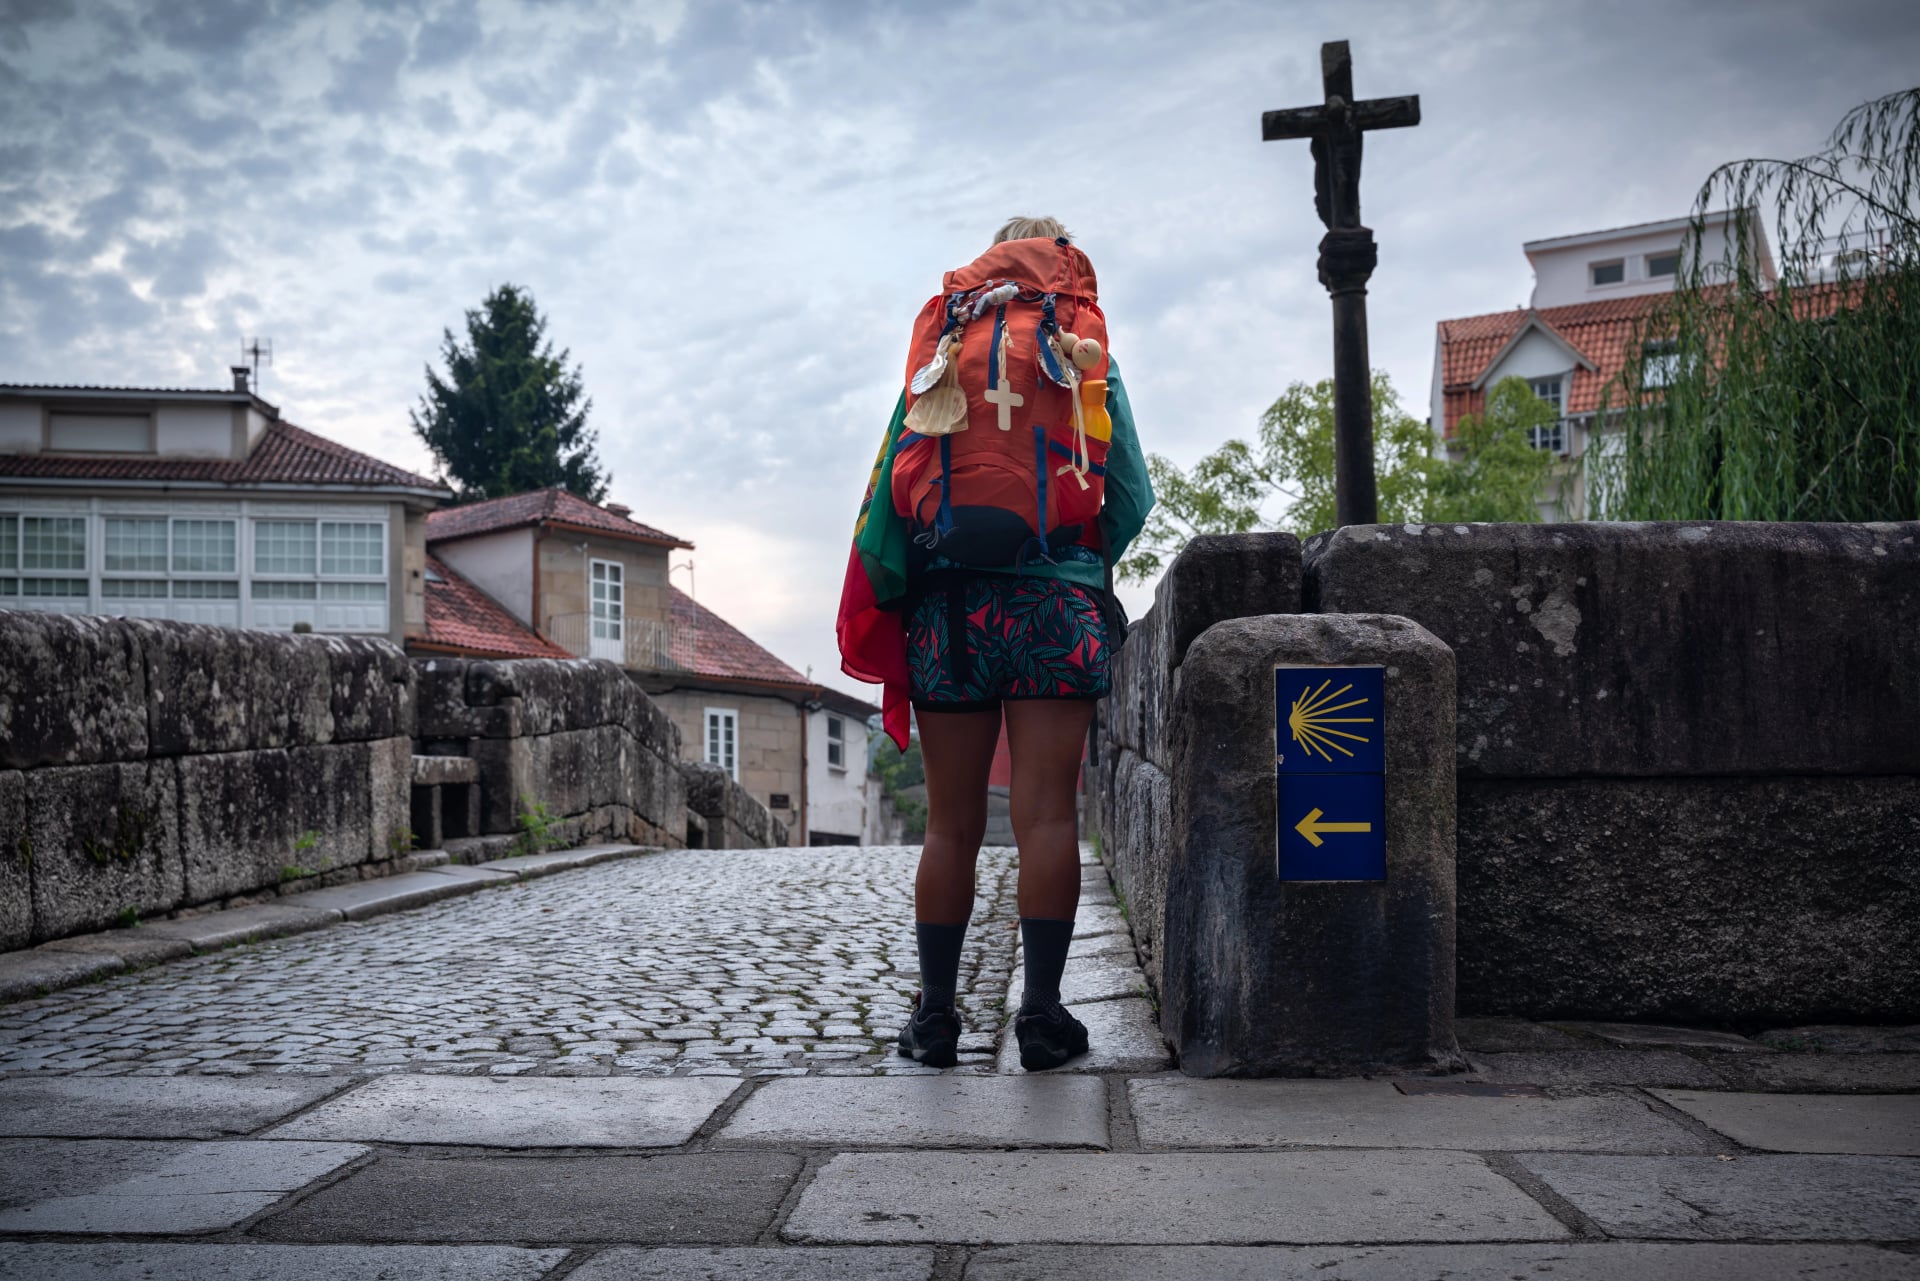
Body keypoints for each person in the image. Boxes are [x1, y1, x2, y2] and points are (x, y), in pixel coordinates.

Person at [835, 215, 1153, 1070]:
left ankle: (936, 1020)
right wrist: (1074, 568)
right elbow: (1130, 495)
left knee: (950, 825)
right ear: (1064, 262)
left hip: (950, 614)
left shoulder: (946, 344)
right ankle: (1043, 1019)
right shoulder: (1083, 349)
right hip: (1055, 603)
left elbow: (894, 493)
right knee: (1049, 812)